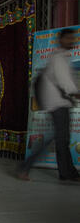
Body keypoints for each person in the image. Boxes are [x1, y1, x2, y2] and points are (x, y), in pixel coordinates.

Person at [18, 28, 80, 182]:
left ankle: (67, 173)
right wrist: (75, 93)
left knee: (61, 138)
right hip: (57, 103)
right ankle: (26, 167)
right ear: (61, 40)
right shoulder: (58, 57)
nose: (72, 41)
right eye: (69, 38)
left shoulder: (62, 57)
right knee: (58, 138)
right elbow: (64, 81)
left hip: (60, 103)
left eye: (73, 38)